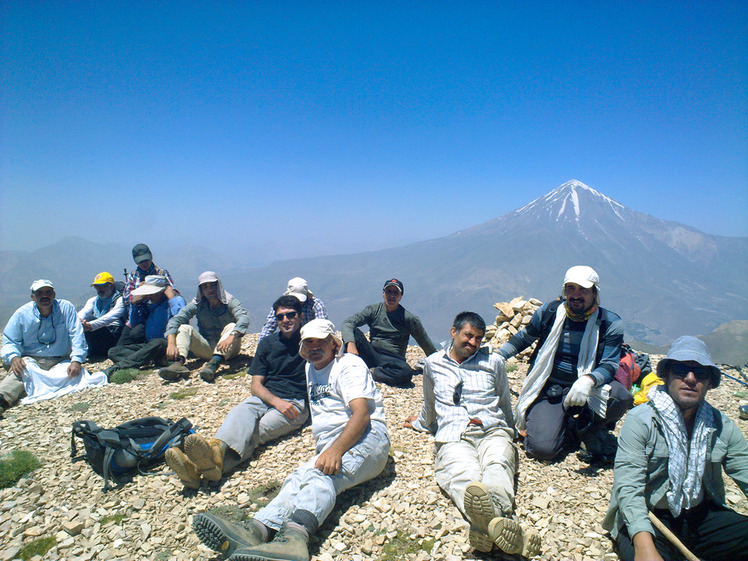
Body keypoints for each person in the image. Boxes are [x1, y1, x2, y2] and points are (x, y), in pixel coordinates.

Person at [191, 319, 389, 561]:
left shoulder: (349, 365)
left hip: (368, 437)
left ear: (334, 343)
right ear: (302, 348)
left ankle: (295, 539)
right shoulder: (310, 368)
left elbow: (362, 415)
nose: (315, 347)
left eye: (321, 342)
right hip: (333, 443)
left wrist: (336, 450)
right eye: (309, 343)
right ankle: (257, 530)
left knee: (321, 475)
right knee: (297, 478)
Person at [404, 312, 541, 557]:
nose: (474, 343)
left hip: (492, 429)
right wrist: (420, 423)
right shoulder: (433, 364)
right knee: (463, 474)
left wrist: (512, 429)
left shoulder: (494, 362)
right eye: (469, 336)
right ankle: (505, 527)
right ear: (453, 332)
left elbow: (504, 401)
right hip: (454, 433)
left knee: (498, 465)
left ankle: (487, 524)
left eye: (479, 338)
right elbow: (430, 404)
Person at [603, 336, 748, 561]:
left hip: (699, 516)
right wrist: (644, 545)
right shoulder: (641, 421)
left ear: (709, 382)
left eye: (700, 373)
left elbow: (744, 467)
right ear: (667, 375)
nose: (690, 379)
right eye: (681, 370)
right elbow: (629, 487)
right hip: (650, 518)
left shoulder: (719, 424)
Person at [165, 295, 309, 488]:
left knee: (253, 434)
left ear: (300, 316)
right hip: (266, 398)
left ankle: (196, 470)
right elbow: (256, 386)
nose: (285, 320)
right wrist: (277, 402)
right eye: (280, 317)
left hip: (295, 404)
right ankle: (213, 458)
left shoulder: (310, 343)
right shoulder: (267, 344)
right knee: (238, 413)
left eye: (290, 315)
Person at [500, 266, 633, 462]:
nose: (576, 295)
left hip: (588, 388)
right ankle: (568, 427)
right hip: (550, 386)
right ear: (564, 291)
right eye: (571, 288)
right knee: (543, 450)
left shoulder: (609, 323)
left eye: (583, 290)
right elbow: (524, 338)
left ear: (595, 293)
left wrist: (588, 380)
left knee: (620, 396)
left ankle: (589, 428)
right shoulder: (549, 313)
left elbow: (610, 364)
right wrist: (499, 356)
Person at [1, 280, 89, 414]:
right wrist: (14, 357)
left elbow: (77, 334)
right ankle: (2, 400)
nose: (44, 296)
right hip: (32, 359)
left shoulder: (66, 308)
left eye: (48, 292)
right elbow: (10, 340)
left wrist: (76, 360)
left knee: (77, 376)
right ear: (33, 297)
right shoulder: (22, 314)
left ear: (54, 294)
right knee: (22, 371)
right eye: (39, 293)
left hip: (60, 360)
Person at [342, 278, 437, 387]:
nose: (391, 296)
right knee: (352, 334)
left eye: (396, 293)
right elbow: (348, 323)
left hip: (394, 359)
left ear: (401, 296)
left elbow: (424, 340)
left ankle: (373, 373)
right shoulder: (373, 310)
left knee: (406, 373)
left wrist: (438, 361)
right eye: (389, 291)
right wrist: (351, 343)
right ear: (383, 293)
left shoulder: (408, 318)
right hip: (373, 352)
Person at [158, 271, 249, 382]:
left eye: (212, 285)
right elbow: (176, 320)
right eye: (205, 287)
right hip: (207, 347)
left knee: (231, 325)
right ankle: (177, 363)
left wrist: (232, 336)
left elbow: (244, 318)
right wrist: (171, 344)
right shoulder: (198, 304)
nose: (209, 290)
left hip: (229, 349)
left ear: (218, 286)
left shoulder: (230, 301)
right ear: (201, 290)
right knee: (184, 328)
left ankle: (213, 365)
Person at [106, 276, 186, 376]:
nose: (149, 295)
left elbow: (183, 320)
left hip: (166, 343)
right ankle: (151, 359)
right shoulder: (148, 304)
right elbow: (134, 323)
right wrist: (134, 304)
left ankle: (121, 366)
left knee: (157, 343)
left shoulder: (176, 300)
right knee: (114, 352)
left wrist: (171, 299)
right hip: (149, 344)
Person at [258, 277, 328, 341]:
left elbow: (322, 326)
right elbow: (269, 326)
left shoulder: (316, 305)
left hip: (311, 340)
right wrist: (261, 345)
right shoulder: (280, 306)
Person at [122, 243, 177, 324]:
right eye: (140, 261)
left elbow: (173, 292)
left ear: (151, 257)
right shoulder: (133, 276)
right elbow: (126, 298)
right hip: (139, 315)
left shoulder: (161, 273)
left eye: (146, 260)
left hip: (160, 313)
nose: (144, 263)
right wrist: (137, 296)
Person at [77, 272, 125, 359]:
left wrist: (90, 325)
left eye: (102, 286)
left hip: (112, 334)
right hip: (97, 331)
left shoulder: (120, 300)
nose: (99, 289)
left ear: (112, 286)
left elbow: (110, 317)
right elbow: (84, 312)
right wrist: (78, 321)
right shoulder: (93, 301)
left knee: (90, 318)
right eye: (97, 286)